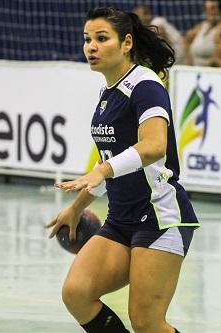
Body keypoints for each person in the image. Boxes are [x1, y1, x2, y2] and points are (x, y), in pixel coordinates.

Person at [45, 7, 200, 333]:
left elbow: (154, 146)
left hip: (160, 218)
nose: (91, 47)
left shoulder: (145, 85)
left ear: (126, 42)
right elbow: (111, 166)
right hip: (121, 220)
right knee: (77, 293)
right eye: (87, 39)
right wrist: (75, 209)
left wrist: (103, 171)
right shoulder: (108, 94)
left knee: (147, 322)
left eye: (102, 39)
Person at [184, 0, 221, 66]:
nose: (209, 11)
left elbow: (217, 59)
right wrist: (189, 61)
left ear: (220, 9)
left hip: (210, 71)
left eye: (212, 8)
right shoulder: (203, 25)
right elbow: (186, 40)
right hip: (194, 69)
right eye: (206, 9)